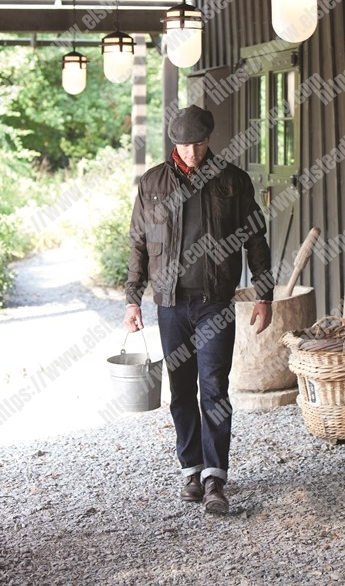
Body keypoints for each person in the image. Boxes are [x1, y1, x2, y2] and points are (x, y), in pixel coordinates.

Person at [124, 105, 273, 515]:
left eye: (200, 143)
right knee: (181, 391)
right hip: (170, 304)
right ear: (174, 143)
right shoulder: (152, 182)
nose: (192, 152)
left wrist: (265, 293)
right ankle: (190, 470)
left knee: (214, 388)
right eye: (185, 145)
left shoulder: (233, 181)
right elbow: (138, 243)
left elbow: (255, 239)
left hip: (215, 303)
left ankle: (215, 479)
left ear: (210, 140)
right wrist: (132, 298)